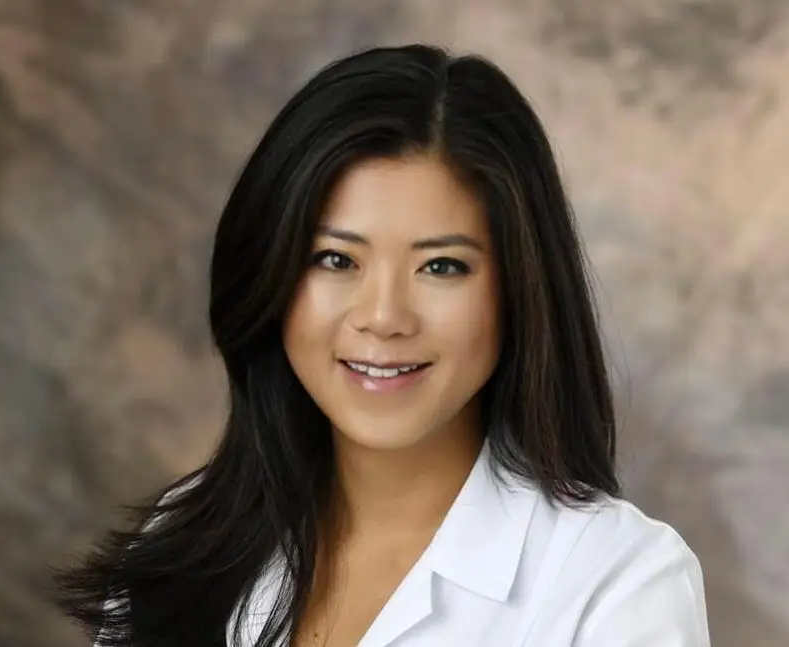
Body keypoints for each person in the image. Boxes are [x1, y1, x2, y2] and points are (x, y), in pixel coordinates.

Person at [54, 44, 710, 646]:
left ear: (519, 289)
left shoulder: (616, 582)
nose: (382, 316)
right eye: (336, 260)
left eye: (441, 266)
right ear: (272, 272)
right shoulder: (179, 540)